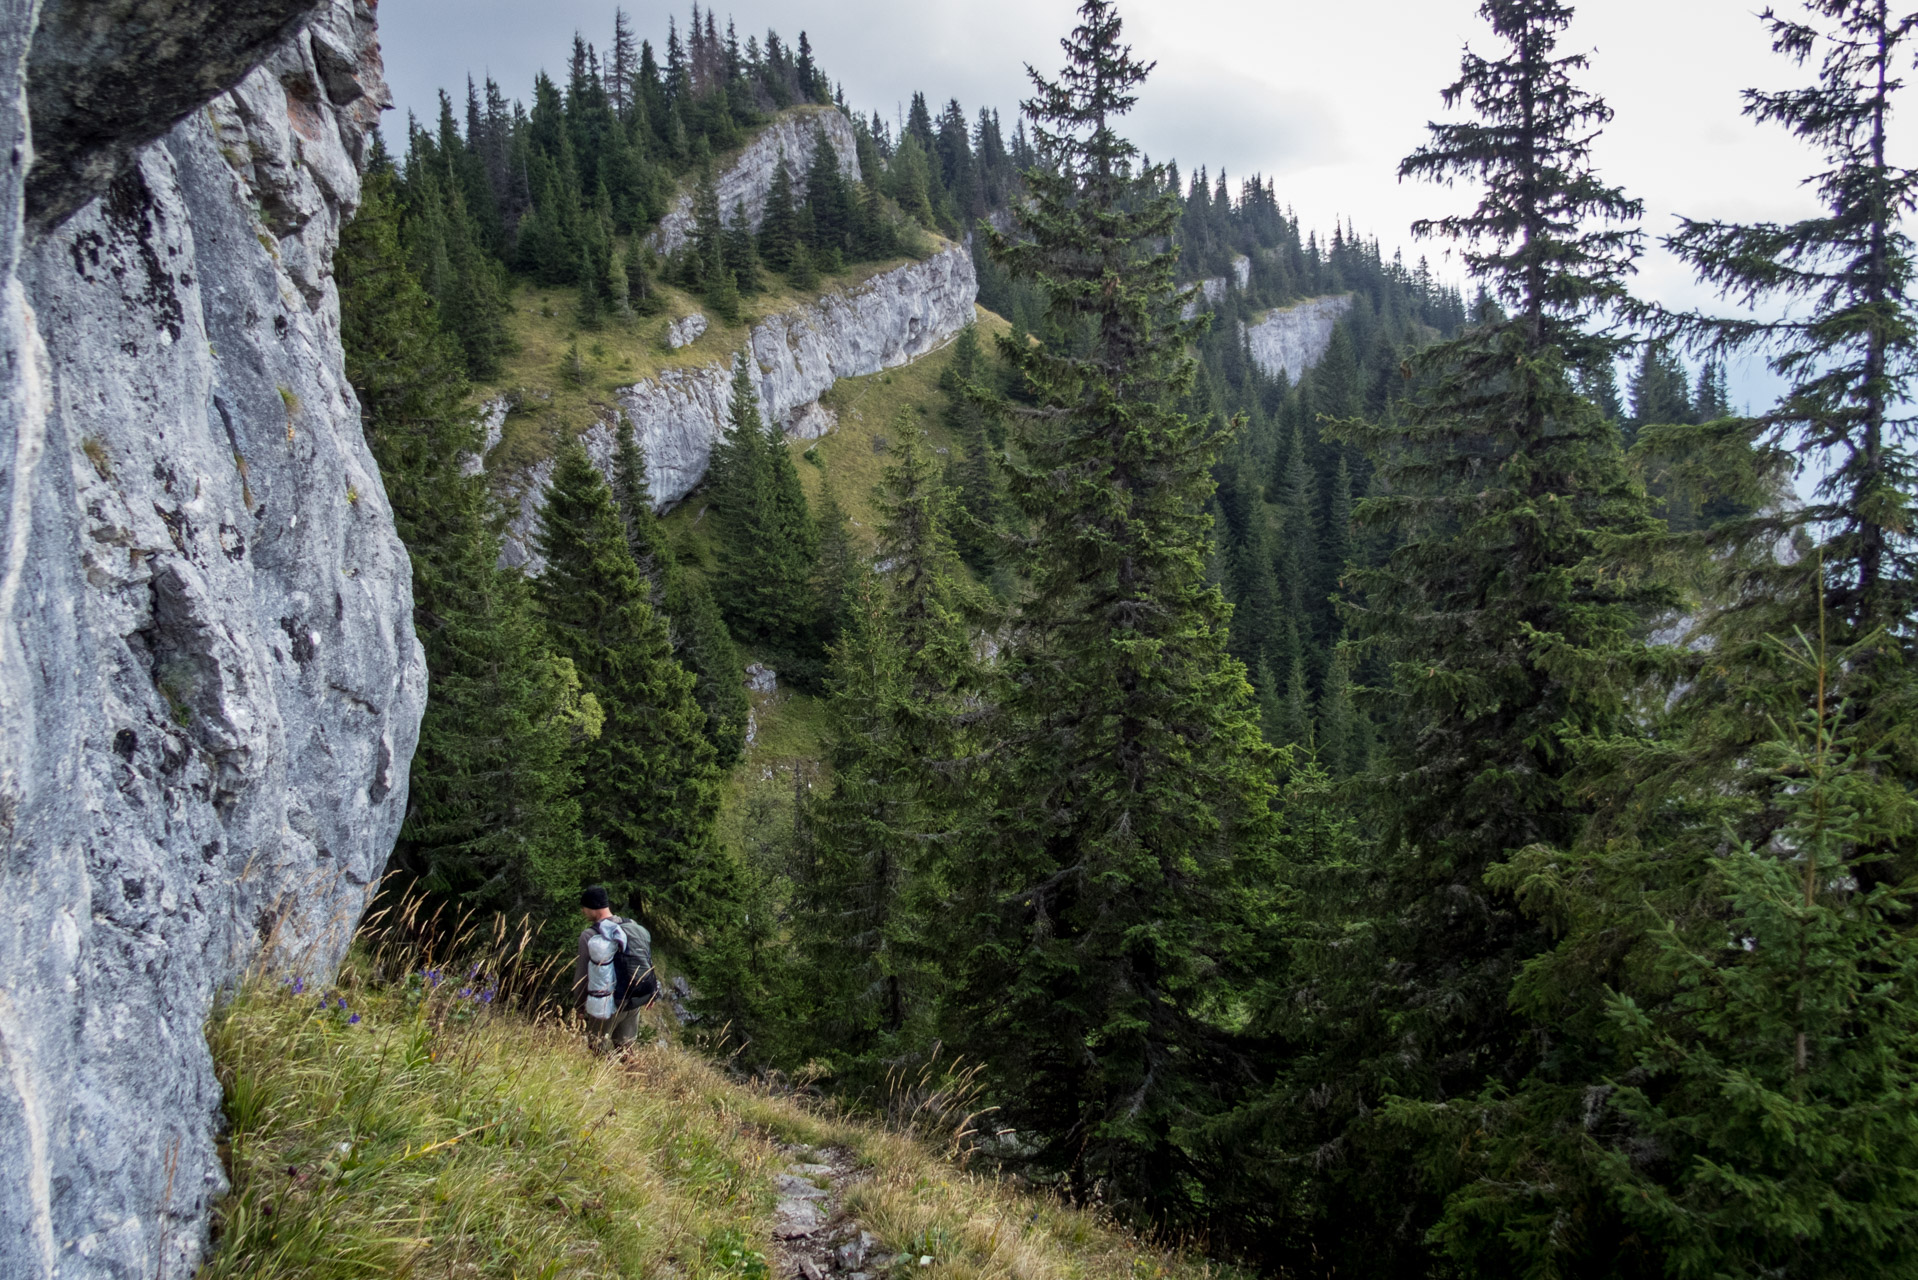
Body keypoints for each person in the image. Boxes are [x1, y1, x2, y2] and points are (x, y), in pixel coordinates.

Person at [574, 886, 656, 1054]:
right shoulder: (631, 925)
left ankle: (601, 1080)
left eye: (584, 907)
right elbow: (645, 960)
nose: (582, 911)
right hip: (633, 1000)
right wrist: (652, 990)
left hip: (606, 1004)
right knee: (627, 1051)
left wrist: (579, 1006)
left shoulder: (590, 935)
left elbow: (582, 976)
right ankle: (634, 1078)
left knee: (597, 1050)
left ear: (592, 907)